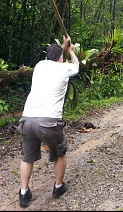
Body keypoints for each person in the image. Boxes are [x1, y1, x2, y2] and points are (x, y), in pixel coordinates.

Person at [18, 36, 79, 207]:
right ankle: (58, 187)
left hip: (27, 118)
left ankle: (24, 193)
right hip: (49, 121)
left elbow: (55, 61)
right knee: (59, 154)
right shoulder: (66, 68)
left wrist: (62, 48)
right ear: (61, 58)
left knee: (27, 157)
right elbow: (76, 66)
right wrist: (71, 51)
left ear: (47, 56)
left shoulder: (39, 66)